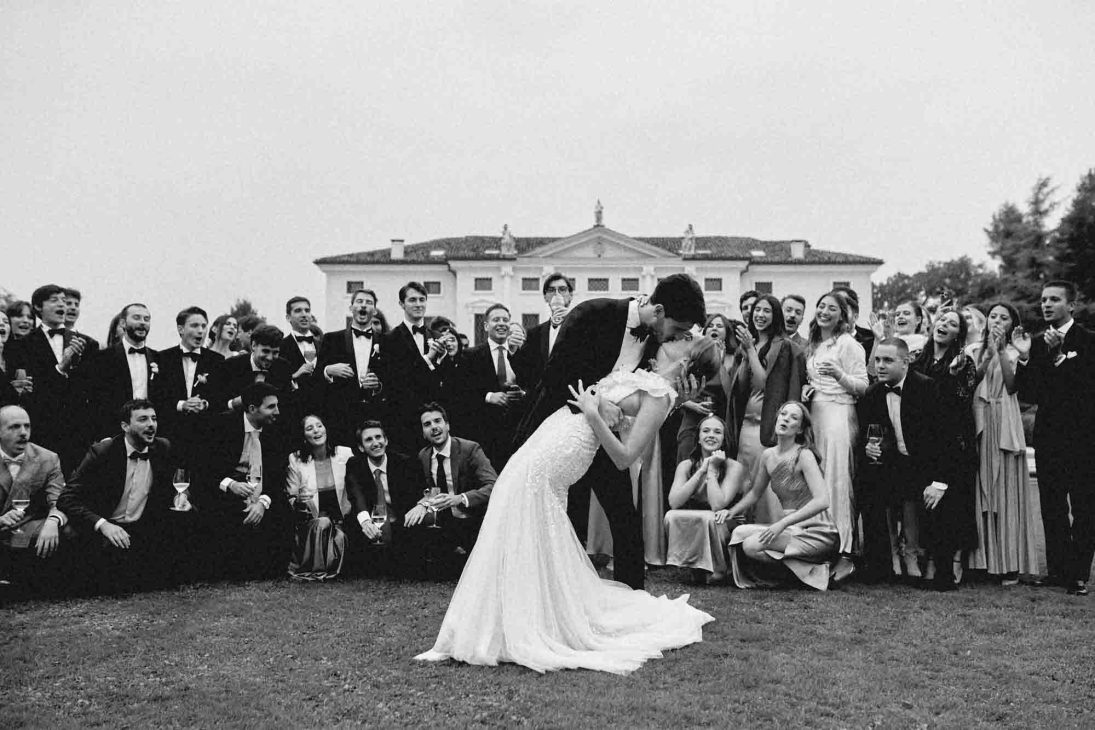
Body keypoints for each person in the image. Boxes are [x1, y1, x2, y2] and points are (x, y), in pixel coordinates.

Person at [416, 334, 719, 674]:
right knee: (509, 499)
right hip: (557, 425)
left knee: (524, 501)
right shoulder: (646, 371)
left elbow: (623, 457)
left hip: (575, 440)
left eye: (686, 340)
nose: (677, 337)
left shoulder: (662, 398)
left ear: (685, 360)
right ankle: (503, 615)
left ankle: (520, 623)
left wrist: (593, 414)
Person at [515, 273, 707, 590]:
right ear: (658, 311)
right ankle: (547, 593)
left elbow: (642, 398)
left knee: (626, 520)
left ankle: (632, 600)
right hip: (560, 432)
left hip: (602, 439)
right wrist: (598, 402)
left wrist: (677, 397)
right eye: (676, 330)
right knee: (556, 517)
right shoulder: (593, 313)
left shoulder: (655, 340)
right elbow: (554, 375)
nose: (675, 338)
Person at [1015, 280, 1095, 595]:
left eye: (1055, 299)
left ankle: (1078, 574)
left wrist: (1060, 357)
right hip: (1049, 438)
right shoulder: (1035, 343)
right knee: (1052, 507)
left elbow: (1086, 389)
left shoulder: (1089, 341)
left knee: (1086, 508)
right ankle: (1059, 571)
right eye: (1044, 299)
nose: (1046, 304)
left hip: (1084, 438)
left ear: (1071, 305)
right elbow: (1031, 393)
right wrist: (1024, 359)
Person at [58, 399, 180, 592]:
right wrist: (103, 524)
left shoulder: (163, 447)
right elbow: (66, 498)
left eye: (154, 419)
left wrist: (180, 497)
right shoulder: (103, 452)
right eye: (142, 419)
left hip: (142, 528)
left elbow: (173, 485)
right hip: (105, 529)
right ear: (125, 426)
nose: (151, 424)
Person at [856, 339, 947, 586]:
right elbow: (867, 433)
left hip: (926, 465)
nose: (880, 366)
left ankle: (914, 555)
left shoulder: (927, 388)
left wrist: (939, 482)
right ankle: (890, 556)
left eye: (888, 360)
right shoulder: (873, 393)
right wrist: (869, 447)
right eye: (877, 360)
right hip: (892, 465)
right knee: (871, 483)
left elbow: (944, 439)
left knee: (918, 497)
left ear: (906, 363)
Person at [724, 401, 839, 590]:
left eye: (794, 418)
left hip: (818, 531)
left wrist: (782, 523)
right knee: (738, 533)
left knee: (751, 545)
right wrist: (730, 512)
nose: (786, 419)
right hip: (791, 529)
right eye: (783, 414)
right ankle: (807, 572)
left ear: (800, 429)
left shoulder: (804, 455)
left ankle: (809, 575)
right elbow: (754, 493)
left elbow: (822, 501)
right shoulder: (768, 455)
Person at [968, 302, 1043, 583]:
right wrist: (987, 354)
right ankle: (982, 561)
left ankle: (1009, 563)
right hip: (979, 418)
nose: (997, 321)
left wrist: (1001, 351)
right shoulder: (973, 349)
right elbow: (972, 380)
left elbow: (1013, 387)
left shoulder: (1017, 351)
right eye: (993, 316)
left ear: (1012, 324)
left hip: (1005, 419)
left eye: (1004, 317)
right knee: (980, 488)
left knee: (1006, 489)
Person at [910, 308, 978, 590]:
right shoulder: (918, 359)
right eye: (942, 320)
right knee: (926, 506)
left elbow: (962, 402)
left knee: (950, 507)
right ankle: (930, 566)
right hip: (924, 442)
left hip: (953, 443)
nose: (944, 325)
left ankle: (946, 571)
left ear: (958, 334)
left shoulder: (963, 362)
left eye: (952, 324)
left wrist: (951, 376)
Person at [195, 383, 290, 580]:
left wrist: (263, 503)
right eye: (271, 407)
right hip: (228, 490)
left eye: (277, 405)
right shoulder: (221, 425)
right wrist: (230, 484)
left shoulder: (277, 431)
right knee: (223, 514)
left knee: (283, 513)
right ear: (252, 409)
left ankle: (272, 570)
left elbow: (277, 476)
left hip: (263, 490)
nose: (277, 412)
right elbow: (202, 468)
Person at [803, 291, 867, 574]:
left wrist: (840, 376)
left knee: (838, 482)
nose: (824, 311)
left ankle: (845, 552)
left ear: (842, 315)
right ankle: (820, 545)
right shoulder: (815, 344)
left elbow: (864, 385)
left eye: (831, 308)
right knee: (819, 481)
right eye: (820, 306)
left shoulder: (848, 344)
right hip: (816, 413)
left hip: (839, 415)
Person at [6, 284, 99, 473]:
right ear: (38, 307)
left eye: (64, 301)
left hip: (78, 433)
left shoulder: (88, 344)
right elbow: (30, 391)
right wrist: (60, 368)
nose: (62, 305)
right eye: (54, 300)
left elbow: (94, 391)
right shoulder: (21, 346)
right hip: (42, 431)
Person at [728, 295, 805, 522]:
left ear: (776, 315)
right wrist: (746, 353)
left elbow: (765, 385)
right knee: (744, 485)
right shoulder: (747, 346)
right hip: (745, 427)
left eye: (766, 311)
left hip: (767, 428)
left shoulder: (783, 347)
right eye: (756, 310)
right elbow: (741, 388)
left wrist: (751, 350)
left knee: (765, 490)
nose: (760, 315)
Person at [405, 403, 496, 576]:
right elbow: (428, 491)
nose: (434, 427)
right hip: (444, 523)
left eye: (437, 421)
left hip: (473, 520)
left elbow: (494, 486)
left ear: (447, 425)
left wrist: (460, 498)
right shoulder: (423, 456)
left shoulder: (470, 449)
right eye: (427, 424)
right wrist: (422, 504)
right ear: (423, 433)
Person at [664, 414, 745, 584]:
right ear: (699, 438)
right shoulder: (686, 466)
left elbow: (717, 505)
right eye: (706, 431)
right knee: (671, 516)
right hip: (699, 518)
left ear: (724, 439)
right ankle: (693, 565)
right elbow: (674, 502)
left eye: (717, 432)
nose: (711, 435)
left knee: (709, 518)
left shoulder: (734, 467)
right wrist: (701, 470)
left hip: (725, 519)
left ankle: (720, 568)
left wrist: (712, 470)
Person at [344, 420, 425, 577]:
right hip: (374, 517)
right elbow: (356, 496)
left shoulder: (404, 462)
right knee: (355, 528)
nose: (375, 443)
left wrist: (418, 508)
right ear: (361, 447)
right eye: (368, 440)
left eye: (378, 437)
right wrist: (366, 522)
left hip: (402, 517)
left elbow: (420, 493)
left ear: (386, 440)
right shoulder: (355, 465)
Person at [0, 405, 67, 589]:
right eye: (14, 427)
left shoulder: (48, 458)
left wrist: (53, 520)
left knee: (68, 530)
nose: (23, 433)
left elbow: (60, 500)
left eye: (27, 426)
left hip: (24, 529)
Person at [453, 303, 526, 469]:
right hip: (485, 433)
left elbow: (532, 384)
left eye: (505, 320)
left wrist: (523, 393)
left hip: (517, 431)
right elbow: (460, 393)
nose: (501, 323)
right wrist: (488, 396)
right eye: (496, 320)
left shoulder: (522, 354)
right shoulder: (470, 356)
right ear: (486, 325)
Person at [285, 414, 355, 581]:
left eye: (319, 426)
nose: (316, 430)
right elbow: (291, 497)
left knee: (338, 535)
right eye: (309, 428)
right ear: (303, 436)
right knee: (323, 523)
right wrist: (299, 502)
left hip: (342, 519)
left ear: (326, 429)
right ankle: (315, 568)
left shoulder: (344, 454)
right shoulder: (295, 459)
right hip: (312, 521)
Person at [152, 306, 223, 469]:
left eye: (204, 326)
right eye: (194, 326)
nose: (200, 331)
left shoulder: (217, 361)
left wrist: (204, 404)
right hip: (170, 437)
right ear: (180, 329)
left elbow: (221, 397)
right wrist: (181, 405)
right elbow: (157, 396)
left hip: (204, 440)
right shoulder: (162, 358)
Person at [316, 289, 386, 447]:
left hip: (375, 418)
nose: (363, 306)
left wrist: (378, 386)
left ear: (374, 310)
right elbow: (316, 378)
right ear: (351, 308)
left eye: (369, 303)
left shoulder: (386, 341)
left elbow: (393, 379)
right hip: (341, 418)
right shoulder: (331, 339)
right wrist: (328, 371)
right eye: (359, 301)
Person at [382, 282, 444, 453]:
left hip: (435, 420)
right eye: (412, 300)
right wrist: (428, 359)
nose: (418, 304)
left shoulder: (437, 337)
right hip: (404, 420)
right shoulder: (389, 339)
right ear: (402, 304)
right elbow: (396, 381)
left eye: (422, 300)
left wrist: (440, 361)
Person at [87, 303, 157, 440]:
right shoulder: (102, 358)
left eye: (146, 319)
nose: (142, 323)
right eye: (137, 318)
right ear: (123, 323)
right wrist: (103, 434)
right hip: (114, 433)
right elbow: (96, 400)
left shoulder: (157, 358)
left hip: (150, 435)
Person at [207, 324, 293, 413]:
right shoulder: (230, 366)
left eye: (275, 353)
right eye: (265, 351)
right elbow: (215, 403)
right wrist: (234, 403)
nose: (270, 358)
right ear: (253, 345)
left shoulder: (284, 368)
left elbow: (287, 405)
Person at [511, 272, 574, 390]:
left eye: (562, 289)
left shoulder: (583, 328)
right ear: (545, 297)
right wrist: (513, 350)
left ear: (570, 295)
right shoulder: (534, 334)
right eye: (551, 290)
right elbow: (523, 376)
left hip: (574, 400)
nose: (557, 294)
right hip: (543, 402)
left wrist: (572, 323)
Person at [281, 296, 323, 418]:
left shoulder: (324, 344)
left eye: (307, 310)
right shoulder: (281, 347)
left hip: (323, 410)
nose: (304, 314)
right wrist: (293, 376)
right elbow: (276, 382)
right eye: (298, 311)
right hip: (294, 412)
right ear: (288, 317)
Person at [62, 288, 102, 352]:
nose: (73, 308)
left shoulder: (89, 342)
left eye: (76, 305)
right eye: (68, 303)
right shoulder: (45, 337)